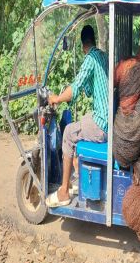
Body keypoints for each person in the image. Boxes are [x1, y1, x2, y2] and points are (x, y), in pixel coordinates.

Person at [45, 25, 109, 207]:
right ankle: (74, 177)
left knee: (68, 133)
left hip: (101, 124)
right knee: (78, 125)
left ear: (82, 46)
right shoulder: (102, 57)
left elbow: (74, 89)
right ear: (94, 40)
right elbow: (88, 89)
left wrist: (57, 98)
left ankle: (64, 191)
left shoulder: (90, 58)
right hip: (105, 119)